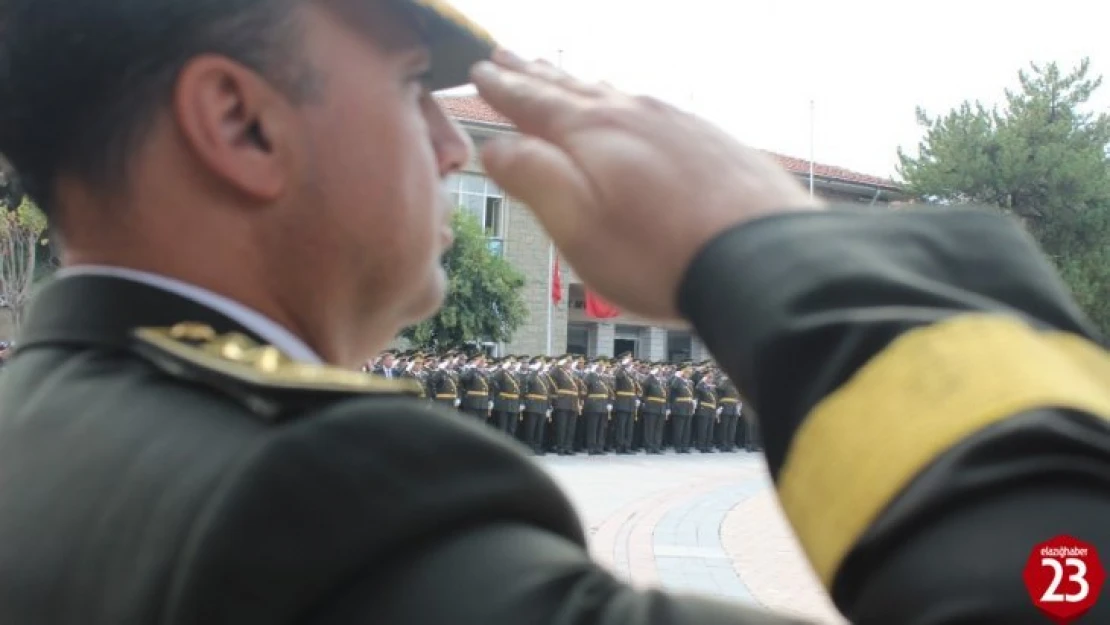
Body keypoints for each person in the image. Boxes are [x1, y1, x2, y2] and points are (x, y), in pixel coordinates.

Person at [1, 3, 1108, 625]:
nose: (449, 145)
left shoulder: (40, 421)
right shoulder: (322, 506)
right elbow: (1060, 584)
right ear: (241, 124)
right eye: (407, 90)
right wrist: (775, 248)